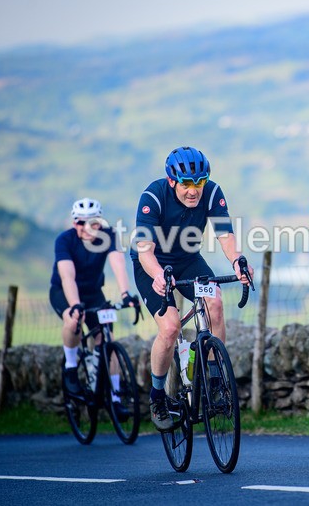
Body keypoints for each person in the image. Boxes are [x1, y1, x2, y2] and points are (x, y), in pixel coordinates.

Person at [131, 146, 253, 431]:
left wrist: (237, 261)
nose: (193, 190)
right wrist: (160, 276)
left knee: (215, 303)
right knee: (171, 327)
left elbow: (225, 235)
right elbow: (145, 251)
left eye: (199, 182)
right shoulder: (153, 196)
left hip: (188, 261)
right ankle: (158, 395)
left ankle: (214, 379)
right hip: (151, 265)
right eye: (186, 184)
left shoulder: (211, 192)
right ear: (172, 180)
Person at [50, 197, 138, 420]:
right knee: (73, 321)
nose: (88, 228)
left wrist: (126, 294)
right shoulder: (65, 241)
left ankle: (115, 399)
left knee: (106, 337)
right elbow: (67, 276)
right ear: (74, 223)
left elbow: (118, 264)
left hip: (94, 293)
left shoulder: (108, 236)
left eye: (94, 223)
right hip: (65, 291)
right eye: (81, 223)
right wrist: (74, 305)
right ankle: (71, 367)